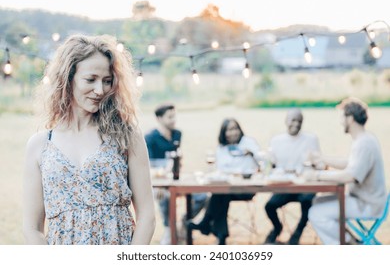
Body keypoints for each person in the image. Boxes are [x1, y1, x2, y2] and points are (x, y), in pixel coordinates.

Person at [22, 34, 155, 245]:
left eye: (107, 81)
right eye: (90, 79)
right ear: (68, 78)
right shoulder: (40, 145)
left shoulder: (127, 136)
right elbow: (32, 228)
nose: (100, 90)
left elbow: (147, 216)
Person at [306, 97, 387, 245]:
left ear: (350, 118)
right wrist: (322, 158)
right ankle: (351, 241)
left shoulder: (364, 143)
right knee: (317, 201)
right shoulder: (363, 140)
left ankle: (348, 246)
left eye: (342, 117)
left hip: (368, 204)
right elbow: (350, 163)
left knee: (316, 213)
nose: (340, 121)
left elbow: (350, 175)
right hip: (365, 200)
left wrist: (317, 175)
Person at [188, 118, 261, 245]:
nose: (233, 133)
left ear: (240, 129)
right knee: (221, 193)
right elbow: (221, 170)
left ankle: (207, 224)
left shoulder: (248, 142)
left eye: (235, 129)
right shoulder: (222, 148)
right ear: (224, 133)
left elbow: (262, 161)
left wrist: (252, 154)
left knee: (219, 194)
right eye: (229, 130)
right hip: (228, 188)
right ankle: (220, 235)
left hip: (246, 187)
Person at [145, 104, 208, 244]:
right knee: (165, 196)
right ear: (159, 118)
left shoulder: (177, 134)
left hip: (176, 179)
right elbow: (148, 167)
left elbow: (178, 159)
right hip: (157, 184)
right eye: (170, 117)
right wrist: (160, 184)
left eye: (175, 116)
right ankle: (170, 229)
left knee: (203, 196)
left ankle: (184, 223)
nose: (174, 120)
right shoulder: (150, 138)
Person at [264, 108, 323, 245]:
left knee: (307, 201)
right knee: (269, 206)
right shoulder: (276, 140)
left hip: (305, 186)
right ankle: (277, 229)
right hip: (284, 186)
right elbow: (270, 165)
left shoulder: (311, 139)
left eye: (299, 121)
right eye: (293, 120)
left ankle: (296, 235)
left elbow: (319, 164)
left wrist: (313, 165)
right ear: (286, 121)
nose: (296, 124)